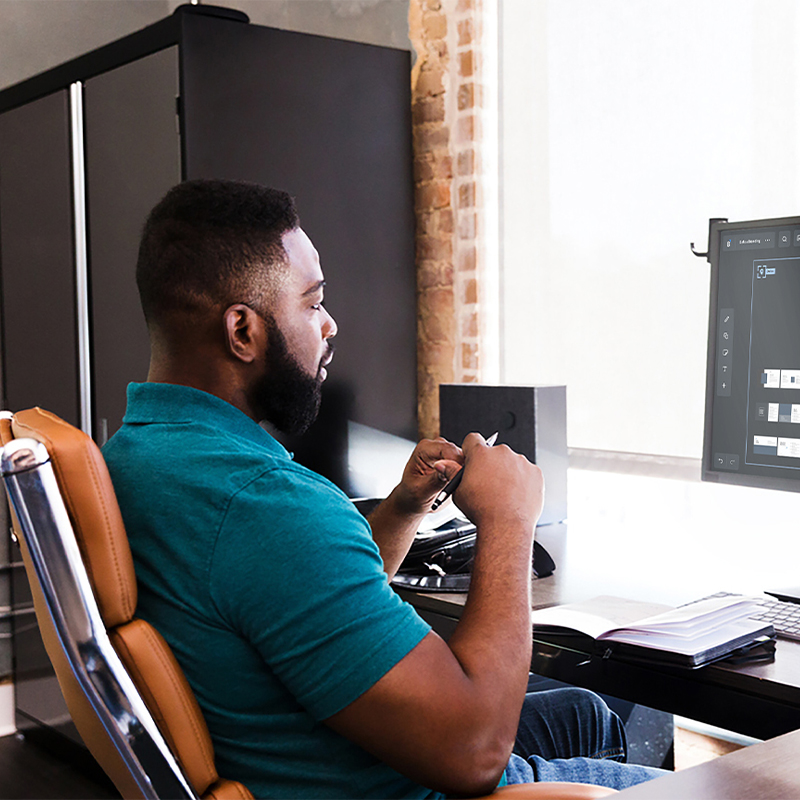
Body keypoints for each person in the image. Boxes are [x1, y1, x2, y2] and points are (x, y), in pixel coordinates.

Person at [102, 179, 664, 798]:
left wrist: (402, 508)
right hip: (417, 777)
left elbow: (288, 598)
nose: (330, 324)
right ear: (243, 331)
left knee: (583, 711)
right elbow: (475, 752)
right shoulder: (264, 503)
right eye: (313, 303)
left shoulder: (138, 456)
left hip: (317, 743)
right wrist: (509, 519)